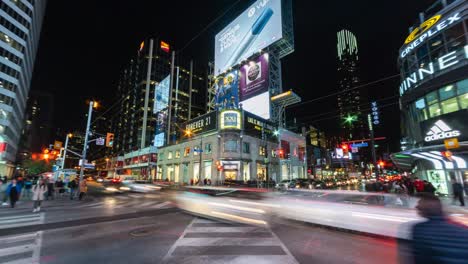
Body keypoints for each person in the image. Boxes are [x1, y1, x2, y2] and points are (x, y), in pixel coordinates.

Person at [408, 194, 468, 263]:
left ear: (424, 210)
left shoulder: (419, 229)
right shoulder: (462, 227)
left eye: (419, 204)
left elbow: (420, 259)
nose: (416, 207)